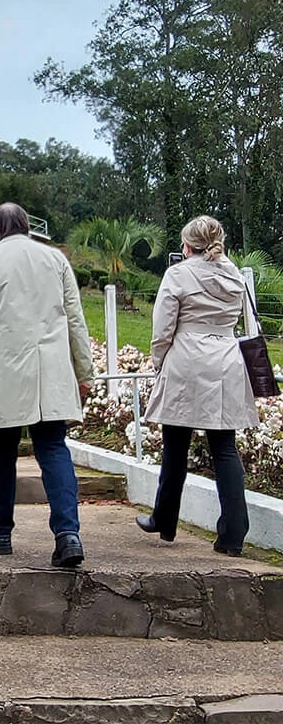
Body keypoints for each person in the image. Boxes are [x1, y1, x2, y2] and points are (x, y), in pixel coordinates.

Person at [0, 203, 94, 567]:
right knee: (53, 447)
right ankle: (68, 534)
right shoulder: (55, 260)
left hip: (5, 371)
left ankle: (0, 534)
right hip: (50, 371)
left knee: (1, 451)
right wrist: (84, 373)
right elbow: (75, 320)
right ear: (27, 226)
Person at [137, 215, 258, 556]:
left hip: (187, 359)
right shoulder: (234, 274)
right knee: (224, 448)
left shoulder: (178, 274)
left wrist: (160, 361)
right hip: (226, 357)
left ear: (186, 245)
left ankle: (164, 518)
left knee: (175, 446)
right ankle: (233, 535)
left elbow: (163, 329)